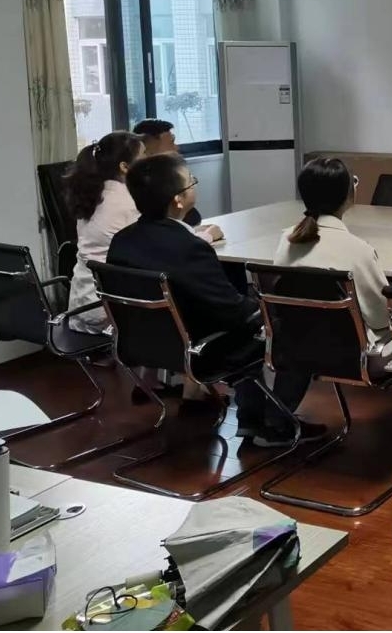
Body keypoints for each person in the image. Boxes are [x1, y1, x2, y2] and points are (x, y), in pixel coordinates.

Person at [107, 154, 325, 447]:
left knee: (252, 319)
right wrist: (269, 310)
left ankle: (252, 421)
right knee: (301, 325)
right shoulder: (189, 248)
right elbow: (233, 313)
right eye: (191, 182)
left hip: (144, 345)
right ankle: (277, 424)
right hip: (203, 350)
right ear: (178, 200)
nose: (194, 185)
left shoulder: (122, 241)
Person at [65, 133, 221, 334]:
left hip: (84, 303)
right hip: (115, 310)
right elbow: (163, 246)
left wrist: (187, 230)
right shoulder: (129, 202)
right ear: (124, 167)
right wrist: (207, 236)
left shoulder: (95, 195)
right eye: (144, 154)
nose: (149, 159)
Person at [272, 158, 392, 368]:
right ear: (348, 195)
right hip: (350, 355)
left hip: (296, 345)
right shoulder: (358, 250)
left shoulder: (286, 241)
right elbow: (382, 317)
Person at [132, 119, 202, 226]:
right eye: (171, 142)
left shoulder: (167, 179)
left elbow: (192, 217)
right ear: (148, 148)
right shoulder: (142, 189)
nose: (176, 148)